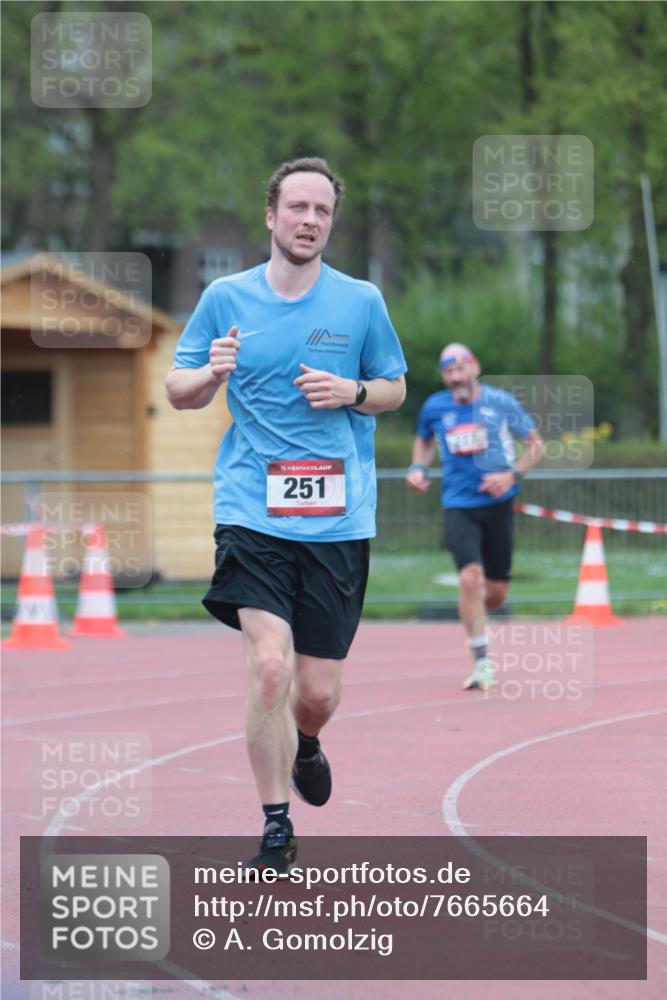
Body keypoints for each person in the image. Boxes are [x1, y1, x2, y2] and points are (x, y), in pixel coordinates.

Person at [166, 157, 407, 872]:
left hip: (336, 521)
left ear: (330, 223)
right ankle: (275, 824)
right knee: (268, 668)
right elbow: (179, 388)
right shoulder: (224, 298)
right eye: (297, 207)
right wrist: (210, 373)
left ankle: (307, 742)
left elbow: (394, 387)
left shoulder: (360, 301)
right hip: (252, 509)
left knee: (314, 691)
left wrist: (352, 391)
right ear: (270, 216)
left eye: (321, 211)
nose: (308, 221)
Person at [405, 343, 543, 691]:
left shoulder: (500, 402)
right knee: (469, 578)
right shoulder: (435, 407)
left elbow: (536, 446)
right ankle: (482, 660)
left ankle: (476, 622)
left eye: (460, 369)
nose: (455, 378)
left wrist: (511, 475)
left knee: (494, 592)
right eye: (448, 372)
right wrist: (418, 468)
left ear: (474, 368)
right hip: (458, 503)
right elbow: (423, 442)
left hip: (498, 505)